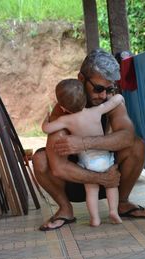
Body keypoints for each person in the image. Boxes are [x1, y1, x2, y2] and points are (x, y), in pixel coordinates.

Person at [32, 48, 145, 231]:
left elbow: (127, 136)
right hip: (76, 178)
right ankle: (65, 209)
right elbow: (58, 168)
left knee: (138, 145)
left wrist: (84, 143)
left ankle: (122, 203)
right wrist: (102, 178)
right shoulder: (64, 108)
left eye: (109, 88)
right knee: (40, 159)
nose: (104, 95)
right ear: (81, 79)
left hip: (110, 173)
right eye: (98, 88)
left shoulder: (109, 101)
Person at [42, 78, 123, 227]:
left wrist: (46, 119)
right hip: (105, 158)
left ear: (63, 107)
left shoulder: (66, 120)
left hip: (88, 162)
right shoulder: (96, 111)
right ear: (85, 99)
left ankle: (95, 219)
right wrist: (113, 95)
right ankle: (113, 211)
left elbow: (46, 129)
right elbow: (117, 99)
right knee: (112, 186)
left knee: (91, 190)